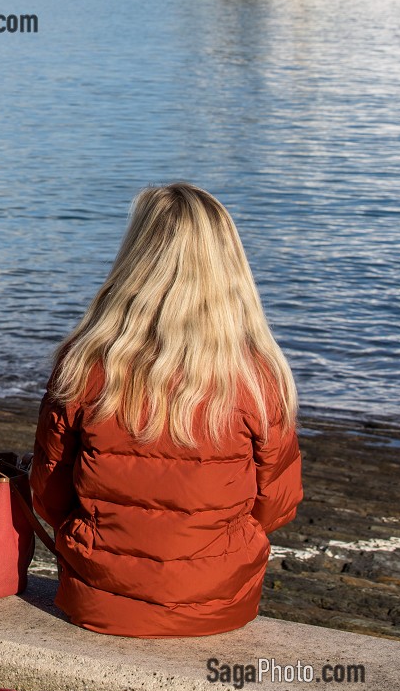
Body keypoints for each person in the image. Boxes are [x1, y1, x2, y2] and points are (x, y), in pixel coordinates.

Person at [30, 182, 302, 637]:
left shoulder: (84, 364)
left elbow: (49, 494)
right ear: (227, 265)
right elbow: (277, 505)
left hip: (97, 599)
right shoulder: (258, 377)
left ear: (135, 257)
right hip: (219, 605)